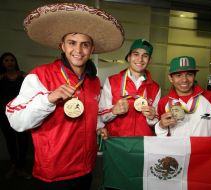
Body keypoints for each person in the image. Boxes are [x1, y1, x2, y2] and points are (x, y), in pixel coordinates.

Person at [5, 3, 124, 190]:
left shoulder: (93, 81)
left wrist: (100, 126)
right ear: (62, 45)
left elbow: (91, 114)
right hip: (53, 174)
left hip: (85, 169)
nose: (78, 50)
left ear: (92, 49)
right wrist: (48, 99)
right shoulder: (41, 75)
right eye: (72, 43)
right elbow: (16, 120)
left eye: (85, 44)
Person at [98, 39, 161, 137]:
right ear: (129, 57)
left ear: (149, 60)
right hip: (117, 141)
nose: (140, 59)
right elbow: (101, 114)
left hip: (143, 143)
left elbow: (157, 122)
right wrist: (114, 110)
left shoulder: (155, 87)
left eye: (145, 56)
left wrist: (152, 117)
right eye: (136, 54)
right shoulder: (112, 81)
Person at [0, 52, 31, 179]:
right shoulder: (0, 78)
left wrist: (26, 76)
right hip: (5, 116)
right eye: (6, 60)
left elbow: (30, 92)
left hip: (22, 115)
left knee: (23, 141)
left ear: (15, 62)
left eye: (12, 60)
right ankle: (14, 166)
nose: (9, 62)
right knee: (10, 142)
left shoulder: (23, 76)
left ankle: (21, 167)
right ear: (2, 63)